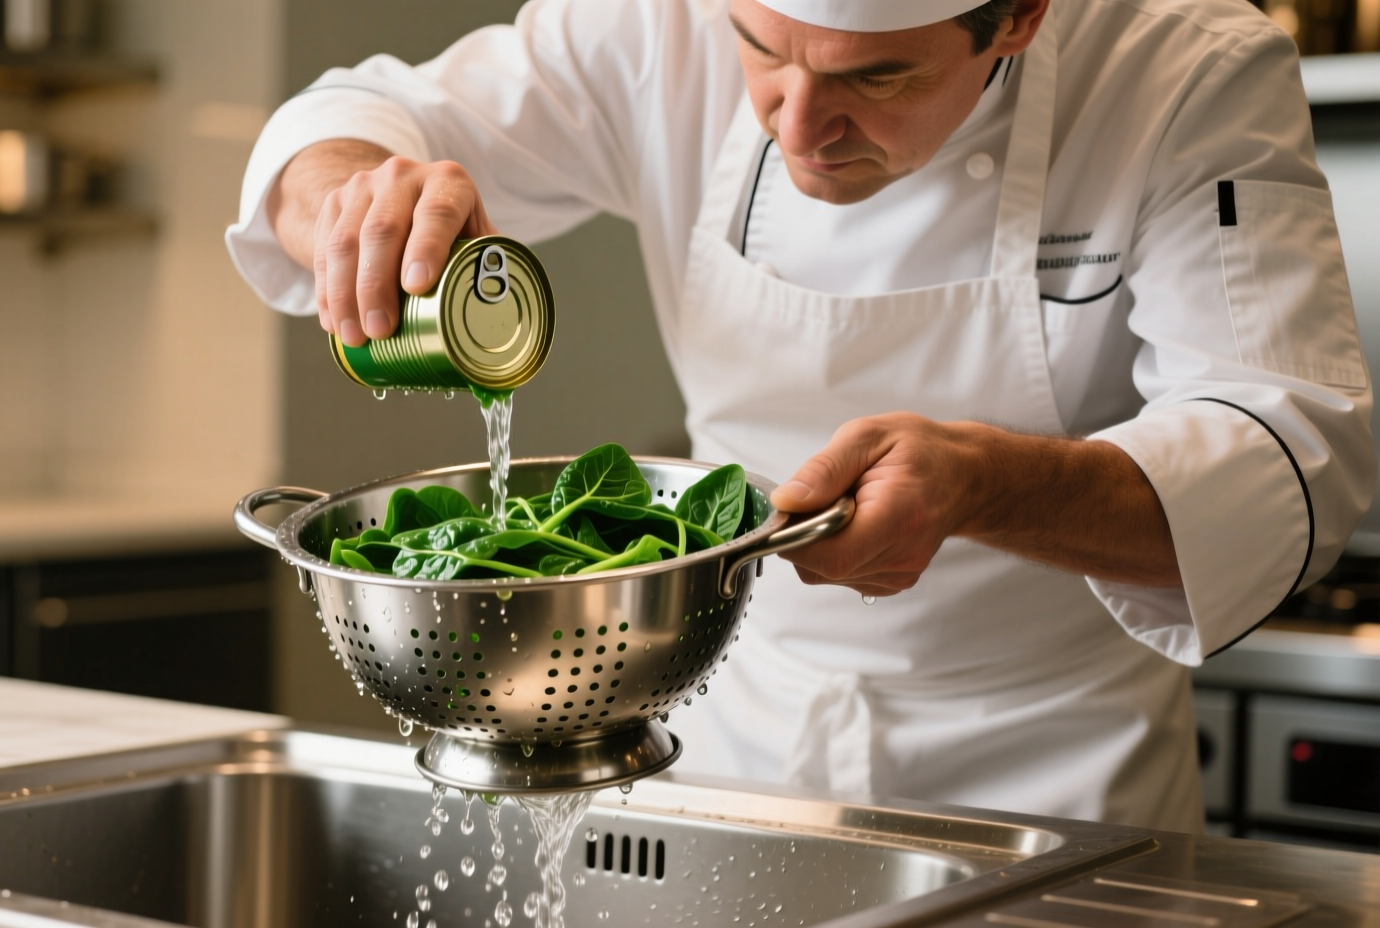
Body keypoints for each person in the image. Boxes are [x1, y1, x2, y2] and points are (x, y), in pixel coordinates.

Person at [225, 0, 1375, 831]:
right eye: (761, 49)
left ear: (1016, 17)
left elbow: (1289, 461)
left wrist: (989, 482)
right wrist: (354, 194)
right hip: (729, 751)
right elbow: (346, 118)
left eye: (876, 80)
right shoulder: (654, 25)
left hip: (1049, 780)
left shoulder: (1180, 67)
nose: (796, 123)